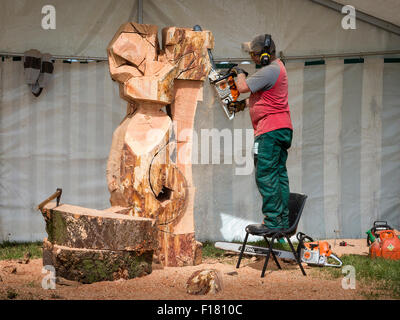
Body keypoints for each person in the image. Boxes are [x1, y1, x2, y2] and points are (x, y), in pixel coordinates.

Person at [229, 34, 293, 232]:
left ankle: (273, 222)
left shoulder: (271, 70)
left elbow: (242, 87)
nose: (253, 58)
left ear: (265, 54)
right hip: (280, 128)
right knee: (278, 174)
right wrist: (242, 105)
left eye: (255, 55)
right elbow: (262, 98)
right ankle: (282, 221)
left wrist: (238, 72)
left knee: (266, 175)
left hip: (270, 131)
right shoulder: (276, 69)